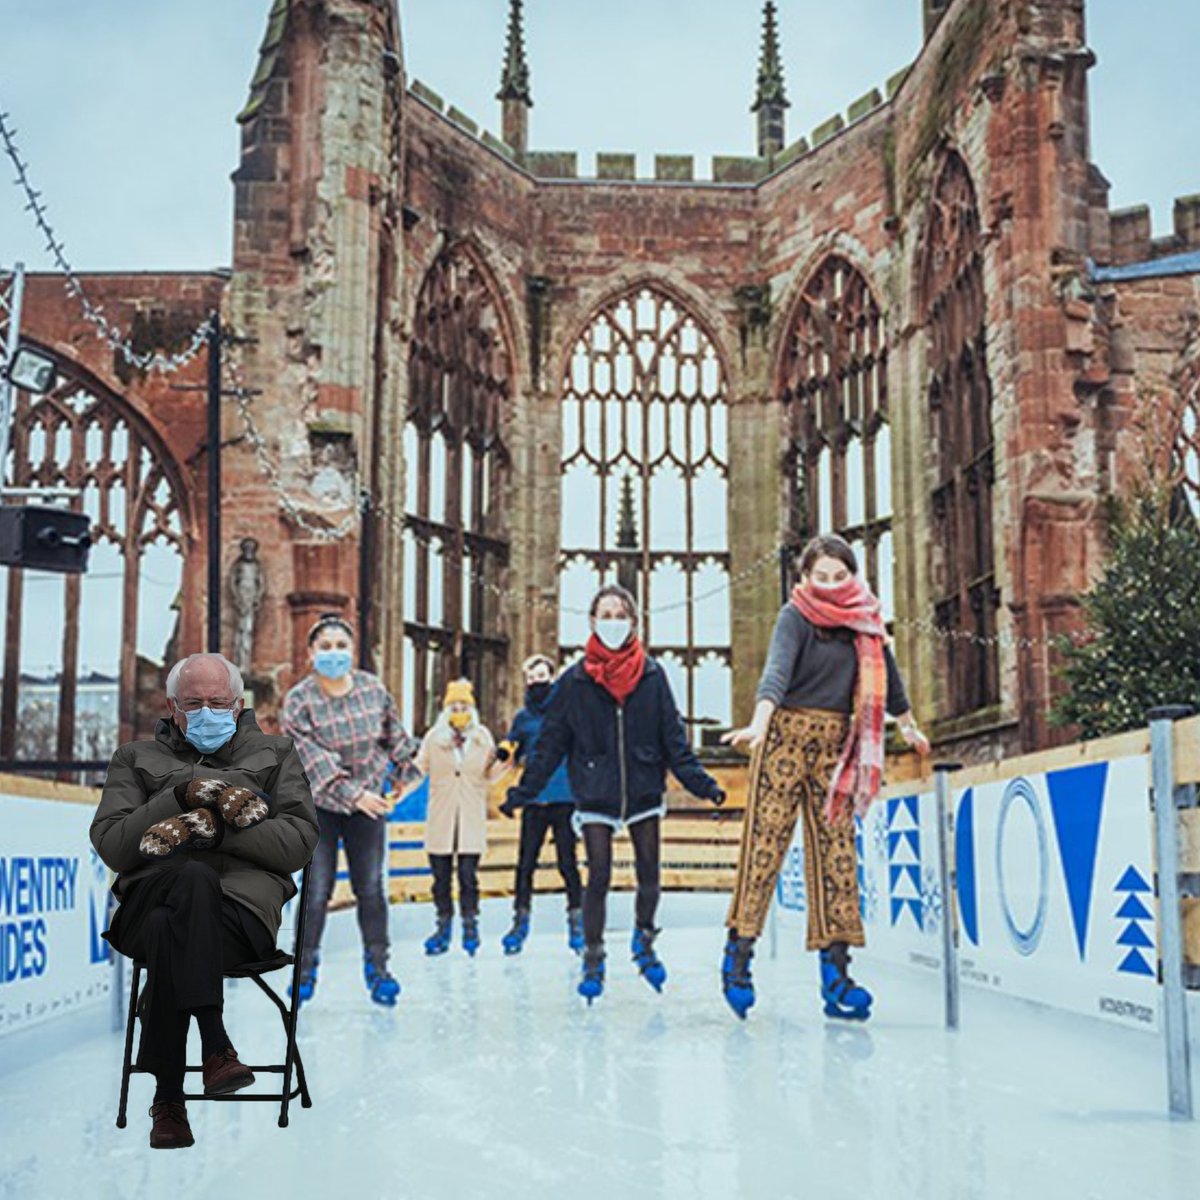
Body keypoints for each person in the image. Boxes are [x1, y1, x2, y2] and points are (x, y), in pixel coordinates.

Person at [91, 652, 318, 1151]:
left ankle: (168, 1100)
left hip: (239, 919)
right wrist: (180, 796)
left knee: (173, 920)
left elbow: (298, 843)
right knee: (184, 887)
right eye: (194, 703)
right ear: (173, 707)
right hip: (148, 902)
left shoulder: (276, 754)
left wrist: (212, 833)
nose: (207, 711)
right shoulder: (134, 758)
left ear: (238, 704)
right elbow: (113, 844)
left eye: (218, 701)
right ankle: (215, 1044)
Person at [720, 534, 930, 1022]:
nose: (832, 586)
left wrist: (909, 725)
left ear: (853, 577)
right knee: (764, 849)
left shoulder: (867, 625)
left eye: (840, 576)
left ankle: (836, 973)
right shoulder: (794, 617)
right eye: (822, 577)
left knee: (837, 859)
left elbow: (889, 684)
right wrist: (759, 722)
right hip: (784, 739)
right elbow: (776, 672)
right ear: (804, 578)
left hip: (837, 748)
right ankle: (738, 956)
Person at [504, 584, 726, 1005]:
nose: (611, 622)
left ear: (634, 622)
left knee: (649, 871)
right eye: (604, 615)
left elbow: (674, 740)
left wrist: (703, 785)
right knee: (599, 874)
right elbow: (550, 744)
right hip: (595, 791)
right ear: (591, 622)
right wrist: (524, 791)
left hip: (642, 787)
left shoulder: (653, 675)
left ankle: (644, 940)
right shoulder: (573, 681)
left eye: (619, 614)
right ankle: (593, 954)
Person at [280, 613, 421, 1007]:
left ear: (352, 651)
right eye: (325, 646)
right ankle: (304, 973)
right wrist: (354, 795)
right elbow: (310, 759)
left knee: (371, 888)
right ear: (311, 653)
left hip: (370, 806)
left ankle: (378, 970)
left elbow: (397, 740)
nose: (333, 653)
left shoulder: (373, 692)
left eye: (341, 646)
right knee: (317, 889)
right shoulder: (299, 702)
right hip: (320, 805)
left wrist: (408, 774)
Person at [496, 654, 583, 956]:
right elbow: (512, 744)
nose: (537, 682)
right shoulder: (523, 717)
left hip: (564, 798)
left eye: (542, 675)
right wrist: (504, 751)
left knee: (567, 863)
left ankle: (577, 923)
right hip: (534, 799)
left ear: (552, 676)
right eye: (532, 677)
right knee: (525, 864)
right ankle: (519, 924)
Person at [416, 678, 509, 956]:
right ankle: (443, 927)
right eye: (454, 705)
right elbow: (418, 769)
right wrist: (397, 790)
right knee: (440, 878)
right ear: (445, 709)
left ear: (472, 708)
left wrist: (505, 761)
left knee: (468, 876)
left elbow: (490, 774)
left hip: (470, 817)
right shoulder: (434, 738)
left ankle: (471, 925)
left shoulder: (482, 737)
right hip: (441, 816)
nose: (459, 710)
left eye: (464, 705)